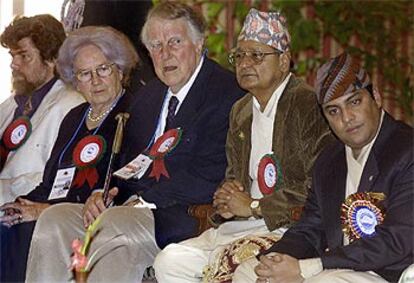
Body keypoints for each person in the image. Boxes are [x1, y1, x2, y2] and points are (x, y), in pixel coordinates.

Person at [26, 2, 244, 282]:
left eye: (174, 42)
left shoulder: (226, 93)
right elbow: (130, 163)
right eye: (155, 45)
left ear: (199, 42)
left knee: (113, 226)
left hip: (183, 213)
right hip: (132, 208)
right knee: (55, 220)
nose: (165, 54)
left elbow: (211, 172)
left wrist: (142, 200)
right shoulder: (148, 96)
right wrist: (106, 193)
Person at [154, 8, 333, 283]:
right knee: (170, 263)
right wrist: (226, 198)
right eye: (239, 56)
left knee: (243, 269)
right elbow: (234, 177)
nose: (245, 63)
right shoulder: (240, 110)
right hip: (240, 225)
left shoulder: (308, 105)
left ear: (284, 61)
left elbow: (318, 191)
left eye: (256, 55)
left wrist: (253, 205)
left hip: (288, 228)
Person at [252, 53, 414, 283]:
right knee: (250, 271)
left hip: (391, 273)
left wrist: (311, 267)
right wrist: (275, 259)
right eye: (333, 111)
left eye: (354, 102)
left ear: (376, 97)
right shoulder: (329, 161)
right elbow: (310, 229)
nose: (346, 118)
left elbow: (398, 240)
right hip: (336, 268)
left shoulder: (407, 150)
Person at [0, 25, 143, 282]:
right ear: (75, 81)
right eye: (85, 74)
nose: (95, 80)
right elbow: (49, 181)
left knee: (29, 231)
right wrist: (22, 204)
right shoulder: (74, 117)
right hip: (54, 208)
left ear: (120, 70)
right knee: (7, 224)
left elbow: (122, 181)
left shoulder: (135, 112)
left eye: (103, 69)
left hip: (94, 213)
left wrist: (44, 209)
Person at [0, 14, 84, 205]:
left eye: (24, 56)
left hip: (25, 213)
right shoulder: (10, 105)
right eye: (13, 56)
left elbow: (55, 179)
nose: (14, 64)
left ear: (52, 58)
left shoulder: (71, 106)